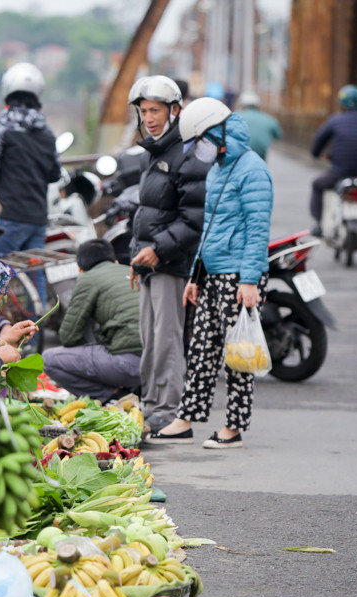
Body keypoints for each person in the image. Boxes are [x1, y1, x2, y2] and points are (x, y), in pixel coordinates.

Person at [146, 97, 272, 450]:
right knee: (201, 350)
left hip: (239, 276)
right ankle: (185, 420)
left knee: (238, 356)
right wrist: (196, 276)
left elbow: (257, 230)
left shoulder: (252, 170)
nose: (199, 149)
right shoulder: (218, 168)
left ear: (221, 134)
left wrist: (249, 282)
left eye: (202, 140)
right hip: (213, 273)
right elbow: (210, 228)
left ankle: (234, 427)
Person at [126, 75, 209, 434]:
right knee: (150, 337)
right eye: (144, 111)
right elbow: (146, 211)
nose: (149, 117)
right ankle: (151, 405)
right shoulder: (154, 151)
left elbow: (194, 218)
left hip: (171, 262)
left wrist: (158, 251)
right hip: (149, 262)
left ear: (175, 110)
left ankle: (171, 409)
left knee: (168, 337)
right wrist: (136, 255)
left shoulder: (187, 153)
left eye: (156, 110)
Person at [0, 62, 60, 301]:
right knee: (36, 273)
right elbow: (54, 173)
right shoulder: (46, 132)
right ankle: (34, 333)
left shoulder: (0, 125)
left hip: (9, 216)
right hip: (37, 217)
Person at [42, 239, 142, 403]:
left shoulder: (88, 278)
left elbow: (68, 336)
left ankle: (112, 395)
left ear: (80, 270)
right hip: (160, 362)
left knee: (49, 359)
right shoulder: (130, 271)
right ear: (115, 261)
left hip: (129, 366)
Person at [309, 84, 357, 238]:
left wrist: (317, 153)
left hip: (339, 173)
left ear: (342, 103)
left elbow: (319, 141)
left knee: (317, 185)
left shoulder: (335, 121)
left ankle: (318, 224)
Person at [236, 91, 283, 161]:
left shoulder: (235, 117)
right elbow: (279, 135)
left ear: (242, 105)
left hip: (240, 154)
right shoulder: (268, 119)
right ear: (258, 106)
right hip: (260, 155)